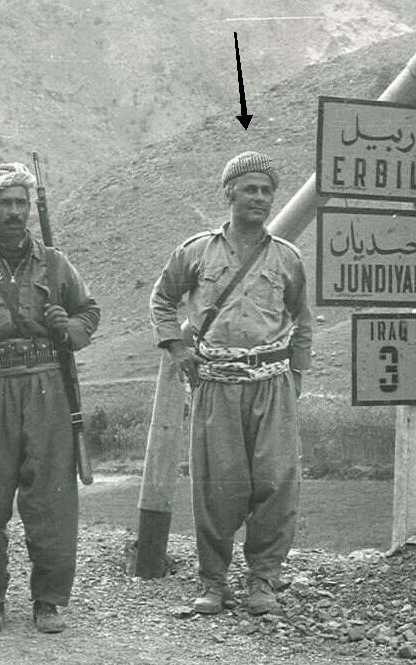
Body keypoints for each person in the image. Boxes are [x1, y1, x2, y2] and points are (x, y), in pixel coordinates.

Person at [0, 162, 100, 636]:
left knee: (51, 501)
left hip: (48, 388)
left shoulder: (55, 263)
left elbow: (89, 312)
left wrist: (68, 327)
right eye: (5, 203)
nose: (14, 212)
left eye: (21, 203)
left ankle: (48, 600)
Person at [149, 151, 313, 616]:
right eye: (249, 189)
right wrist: (177, 349)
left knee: (277, 483)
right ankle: (213, 582)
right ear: (229, 194)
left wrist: (295, 377)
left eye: (266, 191)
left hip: (272, 385)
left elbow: (301, 320)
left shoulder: (287, 258)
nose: (258, 198)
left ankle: (263, 579)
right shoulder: (197, 252)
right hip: (216, 385)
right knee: (217, 486)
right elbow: (162, 299)